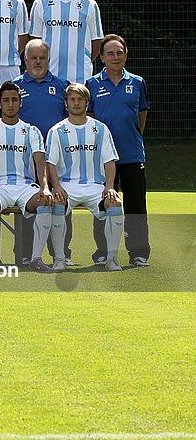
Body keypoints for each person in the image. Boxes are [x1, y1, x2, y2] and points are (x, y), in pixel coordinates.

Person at [0, 82, 55, 270]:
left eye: (14, 100)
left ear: (20, 103)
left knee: (45, 202)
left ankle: (36, 259)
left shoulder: (31, 131)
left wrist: (44, 187)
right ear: (0, 104)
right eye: (6, 100)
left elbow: (40, 162)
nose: (10, 104)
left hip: (25, 187)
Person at [46, 83, 125, 271]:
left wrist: (110, 186)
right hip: (67, 186)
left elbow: (109, 161)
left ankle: (112, 259)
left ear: (87, 103)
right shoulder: (56, 130)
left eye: (80, 99)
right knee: (57, 204)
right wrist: (56, 186)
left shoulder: (101, 129)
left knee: (115, 204)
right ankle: (59, 258)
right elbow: (50, 163)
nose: (76, 103)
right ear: (66, 103)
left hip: (95, 186)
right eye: (72, 99)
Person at [87, 34, 150, 266]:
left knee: (135, 205)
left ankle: (138, 253)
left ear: (126, 55)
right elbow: (90, 119)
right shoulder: (92, 84)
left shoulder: (137, 82)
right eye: (110, 53)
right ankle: (103, 252)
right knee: (102, 205)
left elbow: (141, 115)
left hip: (132, 154)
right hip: (102, 158)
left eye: (119, 53)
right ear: (101, 57)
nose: (115, 57)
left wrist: (131, 136)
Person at [12, 38, 70, 265]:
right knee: (31, 205)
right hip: (25, 159)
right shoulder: (15, 86)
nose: (38, 62)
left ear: (48, 59)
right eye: (33, 58)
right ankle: (26, 254)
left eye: (42, 58)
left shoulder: (62, 86)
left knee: (59, 203)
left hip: (55, 159)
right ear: (25, 60)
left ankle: (62, 253)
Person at [29, 0, 104, 84]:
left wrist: (84, 59)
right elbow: (35, 40)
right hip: (49, 75)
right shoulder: (41, 3)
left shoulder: (89, 5)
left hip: (81, 75)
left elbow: (97, 40)